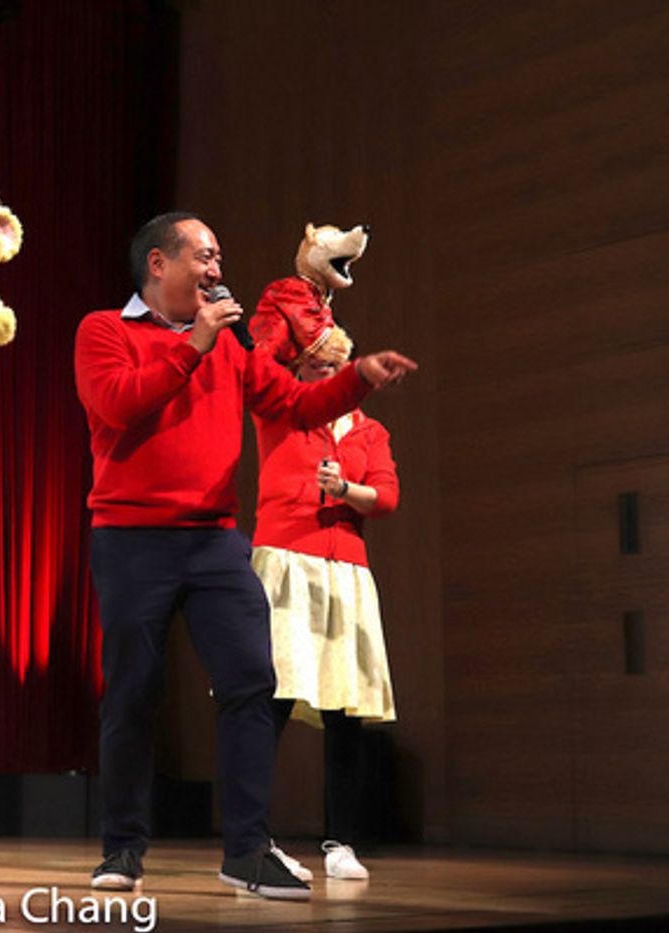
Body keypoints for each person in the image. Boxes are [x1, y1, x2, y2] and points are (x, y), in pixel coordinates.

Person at [73, 212, 415, 901]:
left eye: (218, 257)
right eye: (204, 256)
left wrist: (359, 378)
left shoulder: (230, 346)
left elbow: (293, 404)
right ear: (159, 264)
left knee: (253, 681)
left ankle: (247, 850)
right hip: (131, 536)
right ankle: (123, 847)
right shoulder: (105, 330)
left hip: (214, 538)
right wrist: (193, 344)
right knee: (133, 692)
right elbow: (116, 405)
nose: (216, 269)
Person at [250, 348, 398, 883]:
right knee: (272, 698)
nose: (322, 371)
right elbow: (262, 355)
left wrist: (344, 490)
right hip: (286, 561)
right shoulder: (280, 412)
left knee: (345, 707)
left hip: (346, 571)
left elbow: (386, 496)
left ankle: (341, 842)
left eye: (333, 363)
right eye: (312, 362)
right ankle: (254, 837)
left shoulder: (369, 432)